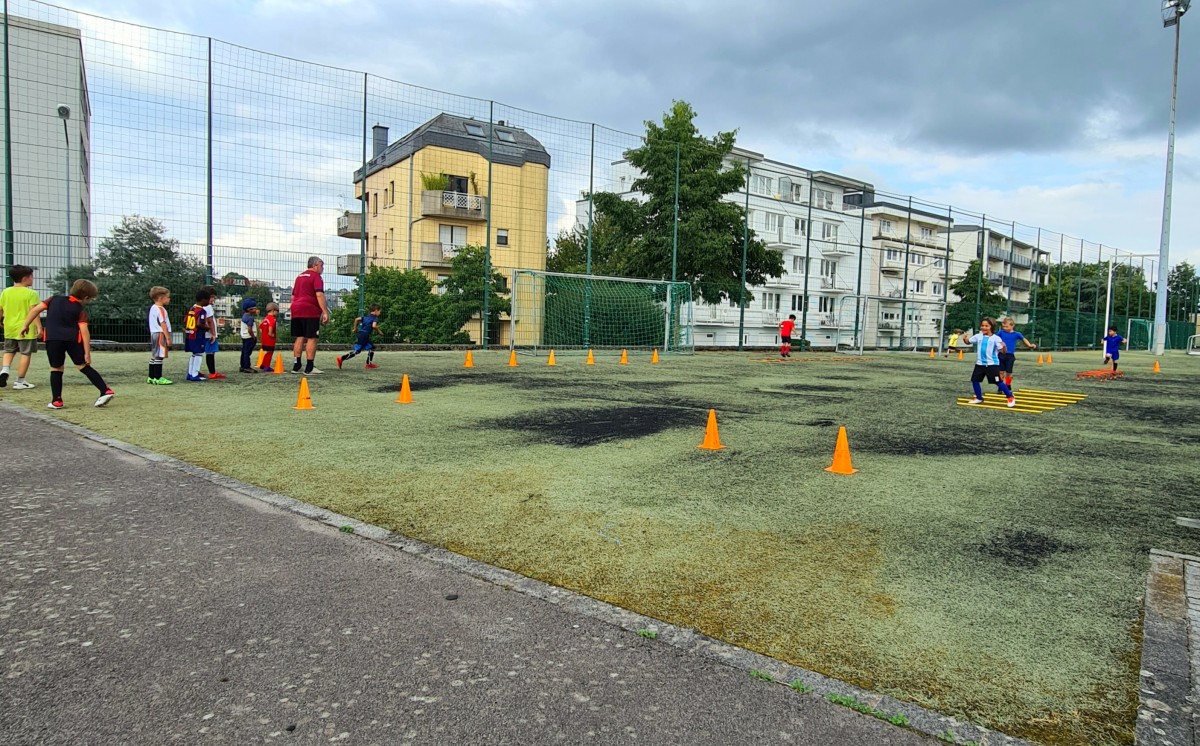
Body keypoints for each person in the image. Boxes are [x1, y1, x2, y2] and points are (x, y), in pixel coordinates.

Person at [18, 279, 114, 409]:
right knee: (82, 366)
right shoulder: (80, 310)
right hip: (73, 339)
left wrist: (25, 325)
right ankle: (105, 390)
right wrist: (87, 353)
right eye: (90, 299)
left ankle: (57, 401)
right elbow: (85, 332)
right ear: (85, 297)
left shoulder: (53, 299)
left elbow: (35, 310)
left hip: (53, 339)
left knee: (56, 368)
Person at [0, 264, 41, 390]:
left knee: (9, 351)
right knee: (25, 353)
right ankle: (20, 381)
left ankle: (4, 370)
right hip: (26, 328)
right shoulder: (32, 294)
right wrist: (39, 327)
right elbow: (34, 312)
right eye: (31, 277)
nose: (32, 279)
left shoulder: (5, 292)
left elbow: (0, 309)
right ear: (25, 278)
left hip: (9, 327)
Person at [964, 317, 1016, 408]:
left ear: (991, 327)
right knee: (975, 381)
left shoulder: (996, 338)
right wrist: (965, 339)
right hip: (980, 364)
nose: (984, 327)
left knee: (998, 381)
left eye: (986, 326)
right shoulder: (978, 336)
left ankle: (1010, 397)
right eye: (982, 325)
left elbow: (1003, 352)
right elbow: (968, 342)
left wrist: (1004, 347)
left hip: (992, 365)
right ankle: (979, 398)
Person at [290, 256, 329, 375]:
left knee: (300, 337)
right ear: (315, 265)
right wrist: (324, 311)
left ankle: (296, 365)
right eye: (321, 266)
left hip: (296, 309)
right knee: (312, 337)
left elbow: (293, 296)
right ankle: (310, 366)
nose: (322, 269)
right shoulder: (316, 277)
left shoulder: (299, 277)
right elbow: (319, 295)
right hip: (310, 310)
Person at [336, 305, 382, 369]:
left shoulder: (366, 317)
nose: (380, 313)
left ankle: (368, 364)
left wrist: (355, 328)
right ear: (376, 311)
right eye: (379, 311)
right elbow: (374, 326)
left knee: (372, 348)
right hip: (364, 335)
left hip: (361, 334)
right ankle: (341, 358)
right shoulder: (375, 318)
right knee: (357, 351)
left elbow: (356, 319)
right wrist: (379, 331)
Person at [995, 317, 1036, 388]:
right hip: (1001, 355)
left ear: (1012, 326)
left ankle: (1008, 385)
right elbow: (994, 339)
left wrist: (1029, 345)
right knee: (1000, 372)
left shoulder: (1017, 334)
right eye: (1003, 326)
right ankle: (1001, 387)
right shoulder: (1001, 332)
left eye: (1006, 326)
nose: (1004, 328)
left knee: (1008, 372)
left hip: (1010, 356)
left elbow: (1024, 339)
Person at [183, 288, 213, 382]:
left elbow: (185, 320)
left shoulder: (192, 309)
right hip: (197, 335)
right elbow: (199, 324)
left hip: (190, 334)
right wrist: (208, 328)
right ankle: (195, 374)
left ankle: (190, 373)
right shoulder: (201, 311)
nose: (209, 302)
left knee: (194, 354)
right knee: (199, 354)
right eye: (208, 299)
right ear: (203, 300)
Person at [147, 286, 173, 385]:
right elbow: (163, 323)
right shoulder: (161, 309)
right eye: (167, 297)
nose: (169, 299)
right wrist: (168, 338)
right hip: (160, 334)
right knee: (159, 356)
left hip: (154, 333)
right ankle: (158, 377)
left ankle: (151, 377)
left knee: (154, 355)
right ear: (161, 298)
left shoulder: (153, 308)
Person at [202, 286, 225, 380]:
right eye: (213, 297)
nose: (213, 300)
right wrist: (213, 334)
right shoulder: (208, 307)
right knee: (210, 353)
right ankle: (212, 373)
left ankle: (195, 371)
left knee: (201, 353)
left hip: (204, 334)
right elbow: (210, 321)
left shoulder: (201, 306)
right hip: (209, 335)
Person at [238, 298, 259, 373]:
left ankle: (242, 366)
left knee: (244, 352)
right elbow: (250, 329)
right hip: (249, 337)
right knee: (247, 353)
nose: (256, 310)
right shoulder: (250, 318)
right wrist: (253, 337)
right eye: (254, 308)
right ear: (249, 309)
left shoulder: (244, 316)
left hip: (244, 337)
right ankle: (247, 366)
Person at [258, 302, 279, 371]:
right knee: (270, 353)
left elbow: (260, 327)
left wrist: (264, 334)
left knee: (266, 352)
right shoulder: (272, 319)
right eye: (277, 311)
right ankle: (266, 366)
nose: (278, 313)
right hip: (270, 340)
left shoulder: (265, 318)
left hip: (264, 339)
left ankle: (263, 364)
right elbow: (271, 326)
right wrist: (270, 333)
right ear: (273, 311)